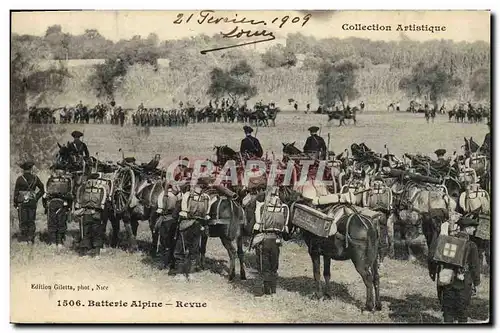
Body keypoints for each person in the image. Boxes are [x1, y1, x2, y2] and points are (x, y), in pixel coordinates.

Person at [429, 216, 481, 323]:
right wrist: (476, 282)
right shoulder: (471, 245)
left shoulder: (447, 241)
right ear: (466, 229)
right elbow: (474, 266)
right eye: (472, 227)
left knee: (448, 311)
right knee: (462, 312)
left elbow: (434, 257)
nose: (474, 230)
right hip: (463, 282)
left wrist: (434, 273)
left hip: (446, 280)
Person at [251, 186, 288, 295]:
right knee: (274, 265)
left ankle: (266, 290)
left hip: (264, 239)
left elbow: (257, 224)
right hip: (276, 240)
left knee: (264, 265)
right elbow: (285, 227)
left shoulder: (261, 206)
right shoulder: (284, 208)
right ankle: (273, 290)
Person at [13, 161, 45, 244]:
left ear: (23, 170)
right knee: (31, 220)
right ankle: (31, 238)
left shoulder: (20, 179)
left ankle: (24, 239)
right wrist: (36, 198)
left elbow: (16, 193)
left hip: (22, 202)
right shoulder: (35, 178)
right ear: (31, 169)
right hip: (32, 202)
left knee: (23, 220)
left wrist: (15, 203)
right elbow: (42, 190)